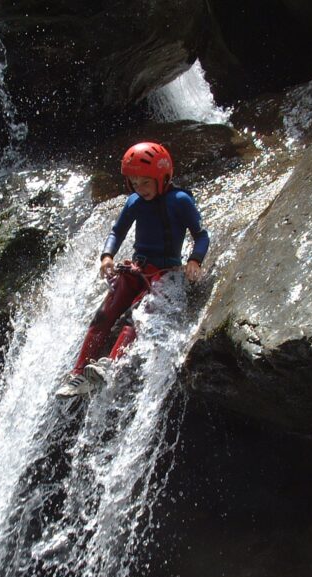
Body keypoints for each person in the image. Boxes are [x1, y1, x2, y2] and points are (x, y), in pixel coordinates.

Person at [55, 141, 210, 398]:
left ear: (163, 177)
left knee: (137, 316)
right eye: (134, 183)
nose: (140, 189)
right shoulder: (135, 201)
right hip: (138, 267)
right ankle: (78, 373)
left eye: (145, 182)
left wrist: (195, 260)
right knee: (104, 314)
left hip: (166, 272)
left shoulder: (180, 200)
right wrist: (107, 257)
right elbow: (117, 231)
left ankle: (110, 364)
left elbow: (201, 235)